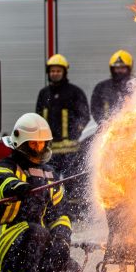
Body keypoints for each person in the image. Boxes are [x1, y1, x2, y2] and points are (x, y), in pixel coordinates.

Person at [0, 113, 81, 272]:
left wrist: (61, 239)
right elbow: (0, 182)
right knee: (36, 232)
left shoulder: (50, 175)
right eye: (33, 144)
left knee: (71, 269)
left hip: (33, 238)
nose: (39, 149)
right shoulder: (4, 167)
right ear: (20, 143)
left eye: (42, 144)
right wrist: (18, 187)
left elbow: (60, 214)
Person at [36, 54, 90, 217]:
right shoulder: (43, 93)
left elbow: (84, 115)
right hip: (48, 151)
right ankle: (50, 213)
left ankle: (74, 214)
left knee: (72, 184)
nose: (55, 74)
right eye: (52, 71)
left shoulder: (74, 93)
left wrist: (75, 133)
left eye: (58, 70)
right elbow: (37, 116)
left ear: (65, 72)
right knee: (47, 184)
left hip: (70, 150)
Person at [90, 49, 135, 125]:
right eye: (117, 68)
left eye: (123, 68)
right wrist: (105, 124)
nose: (119, 71)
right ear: (112, 69)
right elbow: (95, 109)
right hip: (108, 130)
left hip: (133, 129)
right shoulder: (102, 87)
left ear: (129, 68)